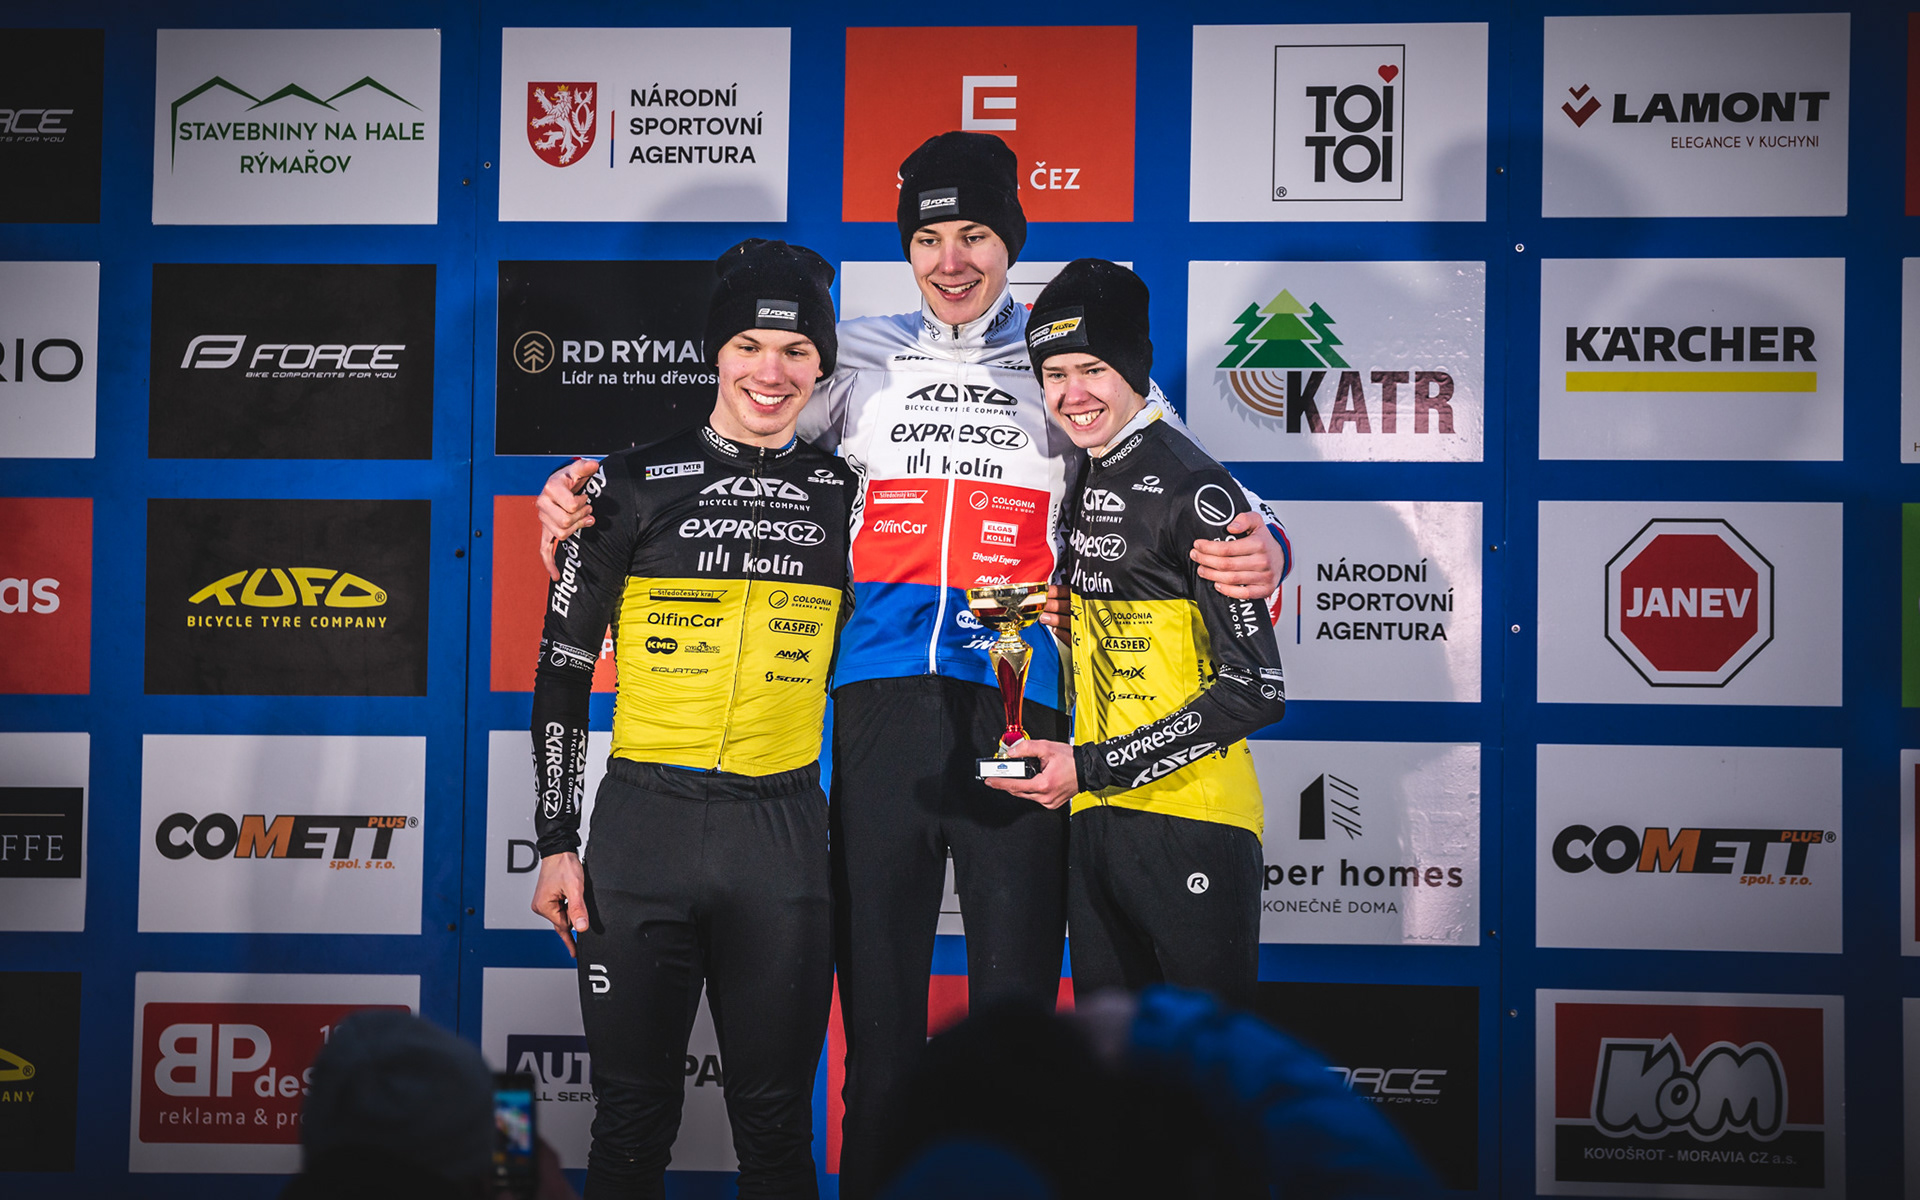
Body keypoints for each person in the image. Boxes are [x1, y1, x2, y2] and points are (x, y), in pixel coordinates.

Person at [533, 133, 1286, 1199]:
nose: (952, 260)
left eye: (975, 234)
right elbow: (733, 447)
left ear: (1009, 241)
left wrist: (1271, 545)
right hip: (877, 718)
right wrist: (578, 499)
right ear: (907, 249)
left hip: (1021, 717)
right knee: (879, 1042)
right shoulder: (852, 358)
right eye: (930, 239)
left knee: (1018, 1040)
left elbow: (1187, 479)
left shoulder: (1065, 362)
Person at [527, 239, 851, 1199]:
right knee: (629, 1126)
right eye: (749, 345)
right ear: (717, 352)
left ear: (822, 366)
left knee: (777, 1133)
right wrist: (555, 842)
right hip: (642, 831)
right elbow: (562, 671)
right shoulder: (621, 487)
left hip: (781, 835)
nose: (770, 372)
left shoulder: (850, 494)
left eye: (796, 351)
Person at [986, 260, 1286, 1010]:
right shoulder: (1087, 473)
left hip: (1192, 818)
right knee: (1116, 1072)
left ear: (1133, 368)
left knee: (1205, 1074)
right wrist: (1071, 629)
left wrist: (1092, 767)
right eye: (1054, 374)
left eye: (1093, 368)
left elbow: (1255, 690)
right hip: (1098, 821)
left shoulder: (1194, 484)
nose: (1073, 394)